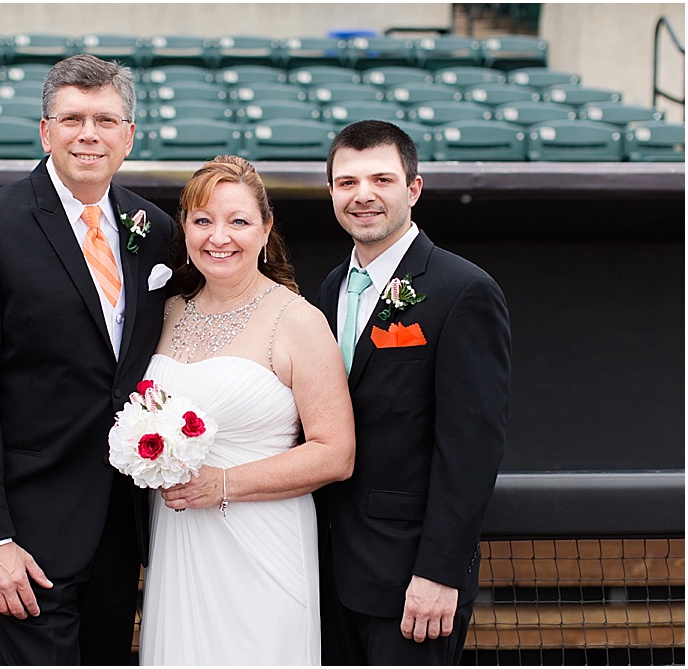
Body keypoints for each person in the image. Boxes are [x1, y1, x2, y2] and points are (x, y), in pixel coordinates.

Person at [0, 54, 175, 665]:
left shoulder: (158, 229)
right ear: (45, 131)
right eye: (71, 119)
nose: (88, 133)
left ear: (129, 136)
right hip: (30, 535)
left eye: (104, 120)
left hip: (128, 527)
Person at [138, 155, 356, 665]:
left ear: (265, 229)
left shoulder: (297, 320)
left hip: (263, 542)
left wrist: (224, 484)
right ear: (185, 228)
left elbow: (336, 452)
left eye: (238, 221)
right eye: (203, 220)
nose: (220, 237)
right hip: (179, 539)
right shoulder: (167, 311)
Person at [315, 120, 511, 665]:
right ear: (331, 192)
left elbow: (471, 447)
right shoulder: (331, 288)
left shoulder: (464, 290)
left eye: (381, 178)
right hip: (330, 569)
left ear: (414, 189)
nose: (364, 195)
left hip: (411, 581)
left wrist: (438, 573)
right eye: (348, 182)